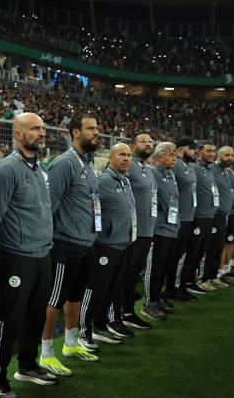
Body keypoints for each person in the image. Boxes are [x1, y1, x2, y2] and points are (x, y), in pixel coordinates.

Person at [0, 113, 57, 397]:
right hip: (15, 257)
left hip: (42, 255)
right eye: (35, 128)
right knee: (9, 318)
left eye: (42, 128)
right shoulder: (6, 169)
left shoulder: (41, 169)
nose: (42, 132)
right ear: (18, 135)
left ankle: (27, 365)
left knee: (36, 315)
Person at [40, 112, 101, 370]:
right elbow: (48, 205)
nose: (96, 132)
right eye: (91, 128)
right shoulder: (64, 163)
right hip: (65, 243)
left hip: (85, 243)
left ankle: (71, 342)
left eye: (97, 128)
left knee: (74, 296)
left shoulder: (86, 164)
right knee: (55, 298)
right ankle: (45, 351)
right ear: (75, 132)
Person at [79, 143, 136, 345]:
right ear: (110, 157)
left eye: (129, 155)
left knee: (113, 288)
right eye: (122, 154)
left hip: (122, 243)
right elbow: (90, 210)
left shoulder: (125, 181)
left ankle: (101, 327)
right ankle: (84, 332)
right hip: (105, 245)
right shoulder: (102, 181)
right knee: (95, 289)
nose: (126, 158)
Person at [112, 132, 157, 329]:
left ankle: (128, 312)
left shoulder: (148, 168)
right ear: (132, 145)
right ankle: (115, 316)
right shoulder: (129, 166)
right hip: (132, 232)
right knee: (123, 276)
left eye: (150, 141)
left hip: (147, 230)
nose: (148, 144)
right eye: (143, 141)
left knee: (133, 276)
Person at [142, 142, 180, 320]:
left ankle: (158, 297)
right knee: (155, 266)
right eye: (170, 154)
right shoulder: (153, 173)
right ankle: (150, 302)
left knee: (164, 266)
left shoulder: (170, 174)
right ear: (158, 156)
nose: (174, 157)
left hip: (171, 225)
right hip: (159, 227)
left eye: (174, 154)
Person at [164, 137, 198, 302]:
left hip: (188, 216)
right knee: (173, 256)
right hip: (178, 218)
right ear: (180, 149)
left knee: (181, 255)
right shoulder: (176, 165)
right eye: (191, 148)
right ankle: (170, 288)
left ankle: (177, 286)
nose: (194, 151)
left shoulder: (188, 166)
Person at [182, 141, 218, 294]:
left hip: (209, 216)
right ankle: (183, 282)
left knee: (200, 251)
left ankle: (190, 281)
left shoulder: (209, 170)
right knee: (191, 251)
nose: (212, 154)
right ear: (200, 152)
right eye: (208, 151)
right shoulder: (194, 168)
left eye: (213, 151)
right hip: (197, 217)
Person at [203, 146, 234, 289]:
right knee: (210, 248)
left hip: (223, 216)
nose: (230, 158)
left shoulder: (226, 172)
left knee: (218, 247)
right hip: (214, 215)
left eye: (232, 155)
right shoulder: (212, 169)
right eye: (227, 155)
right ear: (219, 155)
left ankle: (213, 276)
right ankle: (203, 278)